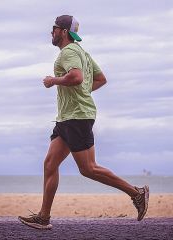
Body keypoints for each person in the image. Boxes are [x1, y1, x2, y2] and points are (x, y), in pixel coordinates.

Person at [18, 15, 149, 230]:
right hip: (67, 117)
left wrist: (53, 81)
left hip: (77, 117)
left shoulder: (69, 52)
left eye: (54, 28)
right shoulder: (82, 53)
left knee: (88, 168)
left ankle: (137, 193)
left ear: (63, 31)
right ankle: (44, 217)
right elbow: (100, 79)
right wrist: (81, 94)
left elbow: (77, 77)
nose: (51, 32)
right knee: (50, 165)